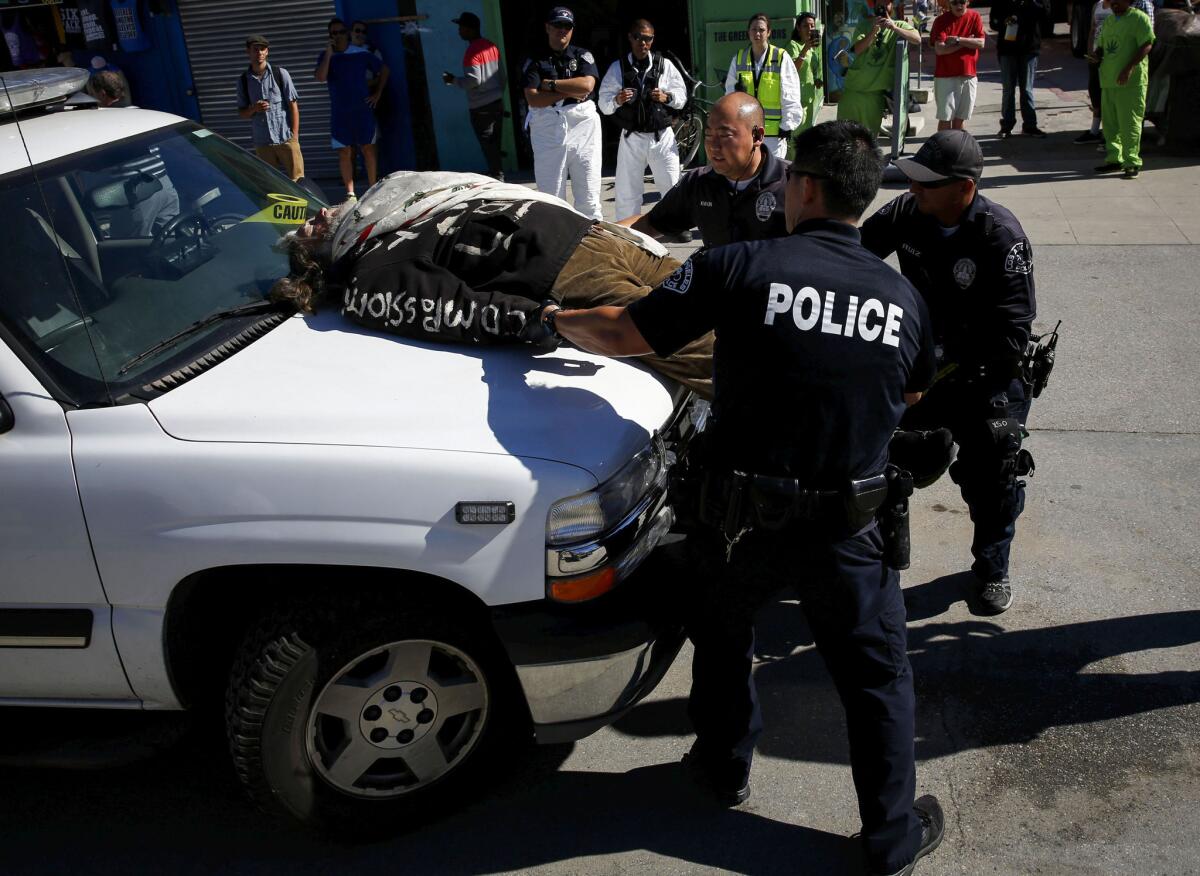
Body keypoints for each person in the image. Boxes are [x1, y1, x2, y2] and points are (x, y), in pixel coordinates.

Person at [532, 120, 944, 876]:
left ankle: (722, 769)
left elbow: (627, 333)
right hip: (848, 527)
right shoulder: (903, 297)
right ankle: (890, 838)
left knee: (722, 640)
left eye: (791, 179)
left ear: (808, 187)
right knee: (878, 681)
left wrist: (552, 322)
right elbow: (913, 388)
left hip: (739, 523)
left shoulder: (740, 265)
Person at [270, 171, 713, 397]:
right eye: (309, 232)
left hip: (601, 237)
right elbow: (449, 306)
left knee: (730, 315)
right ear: (318, 262)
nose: (316, 216)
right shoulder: (368, 275)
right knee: (709, 354)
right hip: (566, 271)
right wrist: (539, 319)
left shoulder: (392, 211)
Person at [860, 130, 1037, 615]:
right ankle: (878, 566)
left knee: (991, 478)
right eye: (912, 180)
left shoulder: (1000, 236)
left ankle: (991, 567)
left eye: (927, 184)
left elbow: (1012, 337)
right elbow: (853, 254)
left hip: (986, 375)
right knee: (879, 461)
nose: (913, 190)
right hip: (921, 368)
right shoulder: (907, 211)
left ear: (964, 188)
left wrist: (938, 357)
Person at [618, 92, 789, 247]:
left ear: (757, 136)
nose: (713, 146)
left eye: (725, 135)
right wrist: (600, 234)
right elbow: (650, 224)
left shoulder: (793, 185)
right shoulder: (698, 183)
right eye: (708, 135)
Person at [598, 19, 688, 222]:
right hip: (632, 138)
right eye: (638, 37)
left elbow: (682, 98)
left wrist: (667, 97)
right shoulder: (617, 68)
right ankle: (627, 229)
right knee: (627, 189)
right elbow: (603, 104)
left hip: (662, 137)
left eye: (648, 38)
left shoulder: (664, 65)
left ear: (653, 40)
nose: (643, 43)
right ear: (630, 38)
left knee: (672, 183)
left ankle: (677, 225)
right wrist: (617, 100)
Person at [520, 7, 603, 221]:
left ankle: (593, 241)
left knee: (589, 191)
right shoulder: (534, 60)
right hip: (548, 129)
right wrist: (568, 92)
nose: (562, 30)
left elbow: (587, 86)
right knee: (551, 196)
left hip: (583, 127)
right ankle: (555, 245)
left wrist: (552, 86)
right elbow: (533, 98)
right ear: (547, 27)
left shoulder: (582, 55)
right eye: (558, 25)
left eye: (567, 26)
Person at [315, 17, 389, 198]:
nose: (338, 35)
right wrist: (329, 54)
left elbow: (384, 69)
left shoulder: (361, 53)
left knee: (368, 148)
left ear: (347, 33)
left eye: (341, 31)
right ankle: (350, 193)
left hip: (362, 110)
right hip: (340, 112)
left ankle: (372, 189)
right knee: (344, 151)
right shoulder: (326, 57)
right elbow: (321, 77)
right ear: (329, 35)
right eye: (334, 33)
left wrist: (377, 93)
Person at [836, 1, 921, 140]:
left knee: (868, 142)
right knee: (845, 139)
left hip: (874, 96)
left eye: (886, 3)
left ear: (891, 6)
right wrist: (873, 31)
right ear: (873, 6)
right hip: (853, 91)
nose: (882, 7)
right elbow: (857, 49)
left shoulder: (899, 25)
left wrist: (894, 28)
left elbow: (917, 39)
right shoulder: (864, 25)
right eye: (879, 3)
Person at [724, 13, 804, 159]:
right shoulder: (739, 58)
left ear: (769, 32)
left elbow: (791, 92)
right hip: (746, 130)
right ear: (748, 32)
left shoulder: (781, 57)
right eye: (753, 29)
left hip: (773, 134)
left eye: (761, 29)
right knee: (748, 173)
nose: (757, 33)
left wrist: (787, 125)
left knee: (771, 176)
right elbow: (729, 94)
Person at [443, 12, 507, 181]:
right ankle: (498, 174)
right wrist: (498, 93)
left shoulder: (472, 51)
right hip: (497, 103)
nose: (459, 31)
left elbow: (474, 80)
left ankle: (497, 177)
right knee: (495, 143)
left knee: (488, 145)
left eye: (461, 27)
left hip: (480, 107)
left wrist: (453, 80)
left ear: (470, 29)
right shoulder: (491, 46)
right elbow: (502, 76)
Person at [1094, 0, 1154, 178]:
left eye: (1118, 0)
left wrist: (1128, 69)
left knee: (1130, 124)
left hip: (1131, 83)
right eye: (1111, 0)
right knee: (1111, 125)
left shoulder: (1139, 18)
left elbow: (1147, 44)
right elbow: (1102, 47)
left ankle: (1132, 162)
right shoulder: (1110, 21)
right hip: (1108, 80)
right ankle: (1115, 159)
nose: (1114, 3)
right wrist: (1095, 56)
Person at [236, 35, 304, 182]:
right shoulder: (243, 81)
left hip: (285, 138)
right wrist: (254, 108)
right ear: (248, 51)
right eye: (255, 49)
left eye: (262, 49)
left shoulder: (281, 74)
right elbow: (242, 112)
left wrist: (295, 137)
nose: (259, 52)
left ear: (267, 52)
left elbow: (293, 106)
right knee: (271, 185)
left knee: (298, 183)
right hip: (262, 142)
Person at [989, 0, 1047, 138]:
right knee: (1008, 89)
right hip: (1007, 50)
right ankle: (1006, 126)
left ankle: (1030, 125)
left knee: (1026, 89)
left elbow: (1045, 14)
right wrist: (1005, 21)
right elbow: (993, 22)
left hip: (1029, 49)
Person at [930, 0, 985, 131]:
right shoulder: (941, 21)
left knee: (960, 117)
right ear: (949, 4)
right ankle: (943, 149)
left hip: (969, 74)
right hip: (945, 76)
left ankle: (957, 149)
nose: (959, 6)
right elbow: (940, 50)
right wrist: (965, 43)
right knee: (945, 117)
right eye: (955, 2)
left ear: (967, 2)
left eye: (962, 2)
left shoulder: (975, 16)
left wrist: (958, 40)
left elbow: (981, 43)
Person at [1075, 0, 1113, 145]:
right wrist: (1090, 51)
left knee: (1108, 95)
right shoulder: (1097, 5)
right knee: (1095, 92)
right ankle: (1094, 130)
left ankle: (1108, 133)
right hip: (1095, 56)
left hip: (1109, 56)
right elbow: (1093, 29)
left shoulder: (1119, 6)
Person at [787, 12, 824, 134]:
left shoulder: (813, 49)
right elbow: (792, 70)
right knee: (795, 139)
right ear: (798, 28)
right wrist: (805, 49)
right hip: (796, 101)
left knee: (805, 138)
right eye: (806, 26)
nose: (810, 29)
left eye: (812, 26)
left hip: (809, 100)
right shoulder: (793, 46)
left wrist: (816, 80)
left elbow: (810, 71)